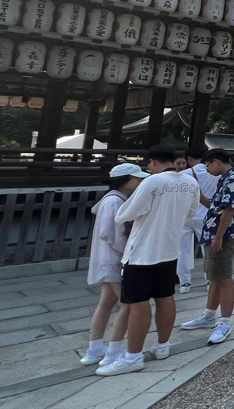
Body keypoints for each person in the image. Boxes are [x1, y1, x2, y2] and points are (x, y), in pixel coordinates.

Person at [96, 147, 200, 376]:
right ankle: (163, 345)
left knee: (138, 302)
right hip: (170, 249)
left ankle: (133, 356)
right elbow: (191, 213)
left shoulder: (152, 182)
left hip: (142, 250)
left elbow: (124, 214)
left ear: (153, 163)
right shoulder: (191, 183)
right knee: (165, 297)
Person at [79, 162, 146, 366]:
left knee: (107, 302)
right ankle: (114, 350)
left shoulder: (114, 199)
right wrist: (128, 251)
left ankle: (95, 348)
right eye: (136, 178)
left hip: (106, 259)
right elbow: (112, 234)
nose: (140, 181)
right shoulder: (114, 202)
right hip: (114, 259)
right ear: (126, 180)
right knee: (128, 304)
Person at [180, 149, 234, 344]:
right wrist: (199, 196)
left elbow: (229, 209)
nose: (207, 169)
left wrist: (219, 237)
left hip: (223, 233)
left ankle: (225, 322)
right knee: (214, 275)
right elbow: (216, 205)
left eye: (208, 165)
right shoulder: (225, 179)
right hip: (213, 231)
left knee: (223, 276)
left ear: (217, 162)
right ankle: (210, 314)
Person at [178, 145, 217, 293]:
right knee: (207, 249)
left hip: (185, 216)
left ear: (189, 159)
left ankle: (185, 284)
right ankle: (209, 280)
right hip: (206, 216)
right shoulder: (215, 173)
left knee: (183, 250)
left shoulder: (185, 174)